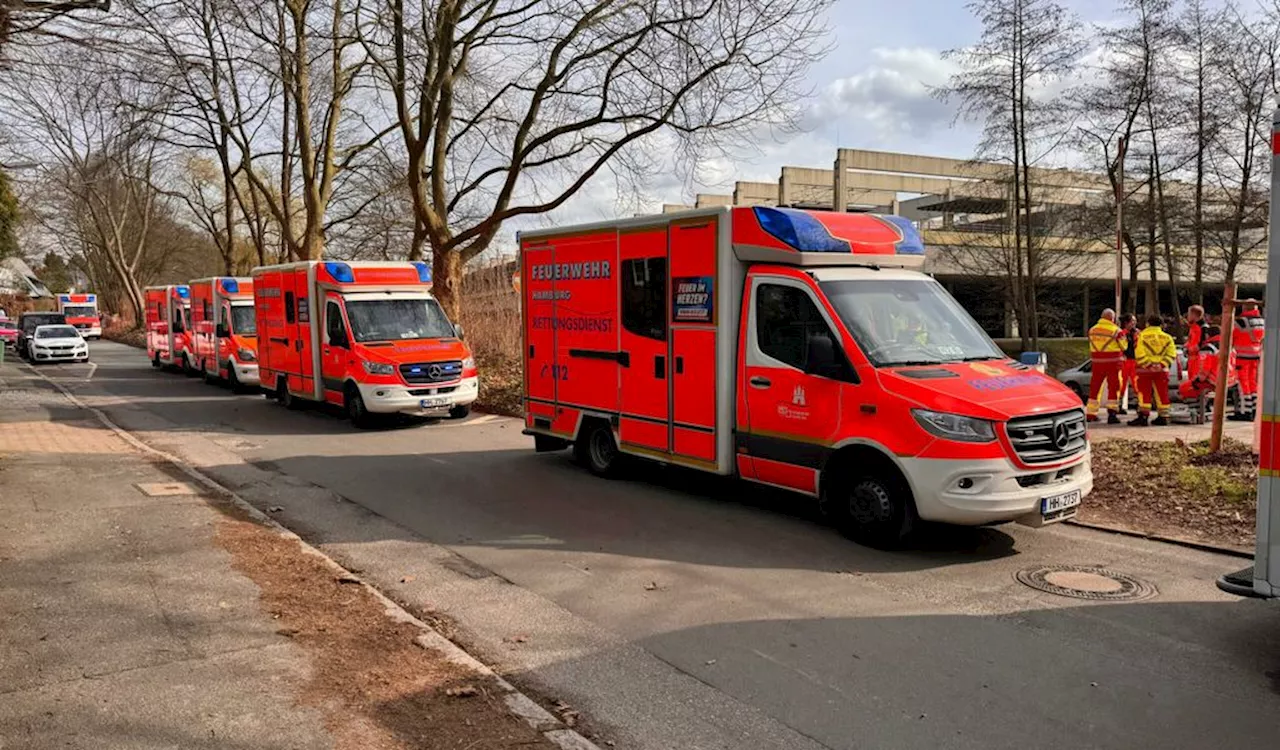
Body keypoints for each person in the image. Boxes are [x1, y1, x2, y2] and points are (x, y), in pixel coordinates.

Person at [1130, 313, 1177, 427]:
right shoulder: (1167, 338)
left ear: (1148, 324)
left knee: (1144, 393)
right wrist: (1161, 364)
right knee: (1162, 393)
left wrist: (1148, 364)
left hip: (1144, 370)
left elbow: (1139, 353)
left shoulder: (1142, 336)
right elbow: (1171, 354)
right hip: (1162, 371)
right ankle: (1163, 417)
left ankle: (1144, 416)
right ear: (1161, 325)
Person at [1086, 308, 1128, 424]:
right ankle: (1112, 413)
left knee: (1095, 387)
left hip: (1097, 363)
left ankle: (1091, 413)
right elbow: (1124, 346)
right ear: (1112, 318)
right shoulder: (1117, 331)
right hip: (1113, 363)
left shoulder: (1092, 330)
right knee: (1114, 387)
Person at [1230, 302, 1264, 421]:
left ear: (1245, 307)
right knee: (1253, 383)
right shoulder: (1262, 322)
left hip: (1242, 356)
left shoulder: (1240, 321)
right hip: (1256, 356)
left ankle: (1245, 411)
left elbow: (1231, 337)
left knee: (1242, 384)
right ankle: (1254, 409)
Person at [1117, 313, 1139, 414]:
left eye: (1134, 321)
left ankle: (1140, 405)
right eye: (1132, 321)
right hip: (1125, 361)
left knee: (1137, 384)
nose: (1134, 323)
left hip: (1135, 361)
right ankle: (1119, 405)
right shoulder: (1122, 333)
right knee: (1121, 384)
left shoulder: (1138, 333)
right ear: (1126, 323)